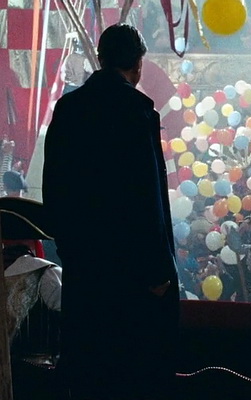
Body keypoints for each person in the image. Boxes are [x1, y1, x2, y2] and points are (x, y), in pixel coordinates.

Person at [43, 24, 179, 400]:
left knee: (89, 372)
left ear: (101, 60)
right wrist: (157, 270)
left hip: (85, 267)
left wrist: (70, 249)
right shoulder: (136, 110)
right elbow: (146, 197)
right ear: (138, 65)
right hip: (130, 274)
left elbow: (54, 190)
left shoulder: (68, 108)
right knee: (131, 372)